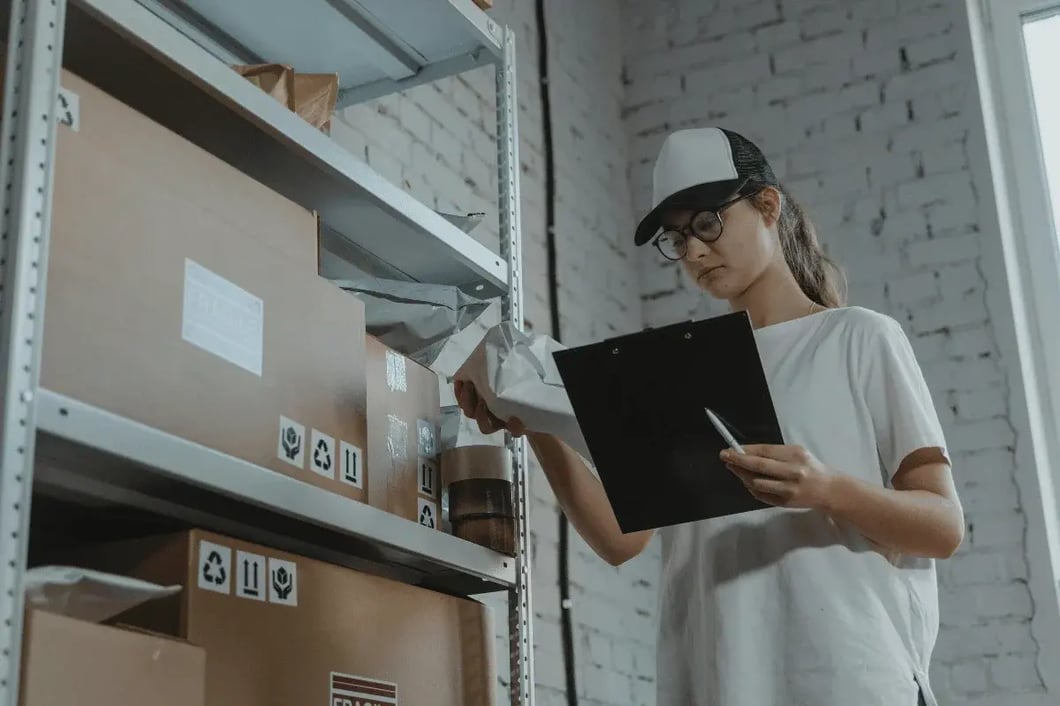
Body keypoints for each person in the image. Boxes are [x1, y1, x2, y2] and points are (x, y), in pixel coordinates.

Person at [454, 127, 963, 706]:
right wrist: (534, 419)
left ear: (767, 205)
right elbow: (624, 542)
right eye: (677, 237)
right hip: (718, 679)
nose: (693, 252)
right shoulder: (672, 370)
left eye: (706, 224)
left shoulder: (857, 338)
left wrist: (826, 489)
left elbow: (943, 527)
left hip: (850, 679)